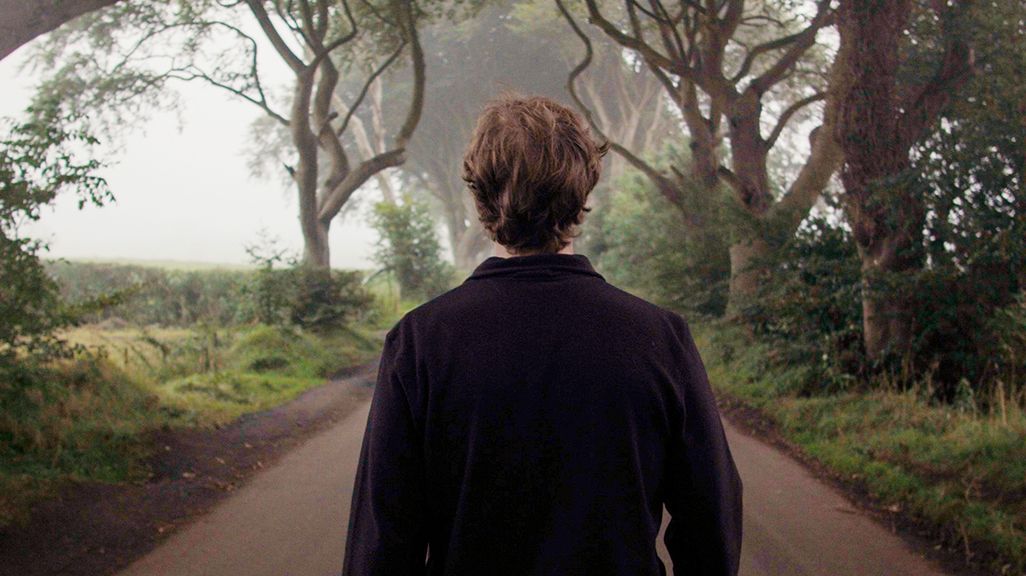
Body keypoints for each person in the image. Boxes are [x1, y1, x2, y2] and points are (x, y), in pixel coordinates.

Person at [341, 92, 743, 575]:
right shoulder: (660, 337)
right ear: (583, 192)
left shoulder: (420, 341)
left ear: (481, 196)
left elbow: (383, 542)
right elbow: (712, 525)